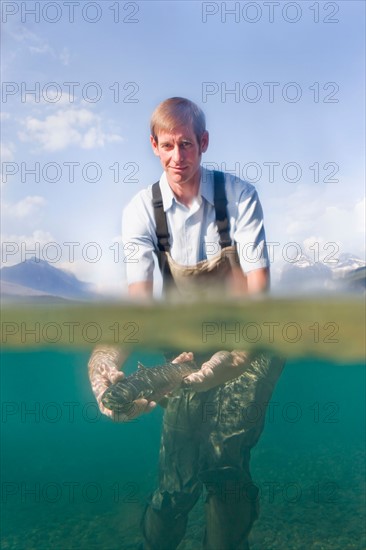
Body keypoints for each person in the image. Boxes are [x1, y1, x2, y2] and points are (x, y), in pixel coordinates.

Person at [88, 97, 284, 549]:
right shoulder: (139, 210)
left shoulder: (239, 196)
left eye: (189, 145)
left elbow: (259, 301)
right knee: (176, 480)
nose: (180, 158)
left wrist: (230, 359)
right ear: (154, 146)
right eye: (169, 146)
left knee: (223, 462)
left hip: (248, 344)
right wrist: (103, 367)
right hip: (187, 350)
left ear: (204, 143)